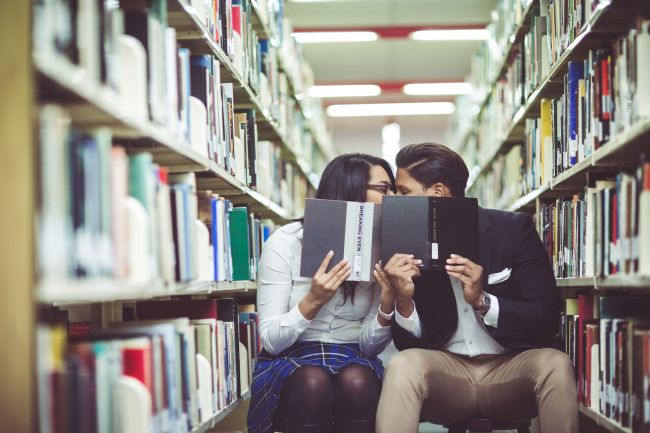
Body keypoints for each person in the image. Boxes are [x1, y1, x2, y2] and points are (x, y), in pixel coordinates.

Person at [375, 143, 577, 433]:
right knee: (402, 364)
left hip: (509, 367)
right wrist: (403, 301)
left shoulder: (513, 229)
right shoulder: (405, 241)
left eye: (404, 192)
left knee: (556, 364)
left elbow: (545, 317)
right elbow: (408, 345)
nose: (395, 200)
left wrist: (483, 300)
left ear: (437, 192)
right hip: (447, 371)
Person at [247, 153, 397, 433]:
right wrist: (313, 301)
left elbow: (369, 347)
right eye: (383, 188)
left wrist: (387, 304)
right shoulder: (286, 242)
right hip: (292, 355)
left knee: (357, 381)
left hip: (354, 355)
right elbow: (270, 340)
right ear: (352, 189)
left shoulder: (383, 246)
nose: (392, 197)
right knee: (312, 382)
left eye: (393, 189)